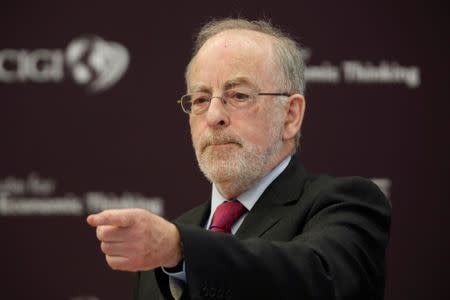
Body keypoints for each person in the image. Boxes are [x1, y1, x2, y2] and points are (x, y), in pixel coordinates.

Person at [87, 18, 391, 300]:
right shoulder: (163, 248)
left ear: (290, 115)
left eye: (239, 96)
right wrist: (175, 248)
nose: (214, 116)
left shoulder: (345, 204)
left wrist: (182, 249)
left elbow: (318, 280)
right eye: (201, 99)